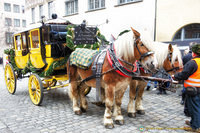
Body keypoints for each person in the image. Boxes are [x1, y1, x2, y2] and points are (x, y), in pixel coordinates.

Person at [172, 43, 200, 132]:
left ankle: (195, 127)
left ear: (194, 53)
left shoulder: (193, 62)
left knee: (194, 108)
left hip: (193, 90)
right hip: (198, 89)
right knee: (197, 107)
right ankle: (194, 122)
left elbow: (184, 74)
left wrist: (175, 76)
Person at [181, 42, 196, 117]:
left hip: (188, 79)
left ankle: (183, 101)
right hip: (196, 82)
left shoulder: (186, 57)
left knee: (186, 93)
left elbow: (182, 66)